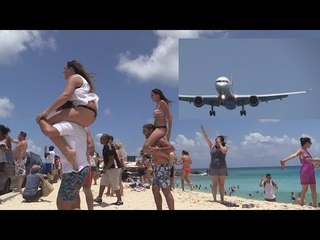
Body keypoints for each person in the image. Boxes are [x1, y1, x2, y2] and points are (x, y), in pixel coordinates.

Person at [36, 60, 99, 172]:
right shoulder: (84, 82)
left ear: (71, 68)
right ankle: (70, 153)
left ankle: (68, 152)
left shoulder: (74, 77)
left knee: (45, 123)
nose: (63, 71)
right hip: (90, 114)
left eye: (64, 68)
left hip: (83, 110)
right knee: (50, 125)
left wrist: (46, 112)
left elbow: (65, 96)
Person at [38, 119, 89, 210]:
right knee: (74, 198)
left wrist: (40, 119)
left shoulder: (66, 125)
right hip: (83, 167)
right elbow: (91, 146)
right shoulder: (82, 127)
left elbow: (48, 130)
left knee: (62, 203)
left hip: (72, 170)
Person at [143, 123, 175, 210]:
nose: (143, 133)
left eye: (145, 131)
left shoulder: (159, 140)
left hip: (163, 166)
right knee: (155, 190)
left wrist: (158, 149)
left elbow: (172, 148)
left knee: (165, 190)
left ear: (151, 131)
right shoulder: (152, 142)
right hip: (157, 167)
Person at [280, 137, 318, 208]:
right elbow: (294, 155)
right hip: (305, 171)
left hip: (311, 172)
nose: (311, 144)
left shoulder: (307, 152)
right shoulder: (301, 150)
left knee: (313, 189)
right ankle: (301, 204)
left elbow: (309, 161)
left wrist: (316, 164)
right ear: (306, 143)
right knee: (305, 189)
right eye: (310, 142)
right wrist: (285, 160)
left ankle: (315, 205)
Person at [200, 124, 228, 203]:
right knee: (215, 184)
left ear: (222, 141)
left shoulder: (225, 147)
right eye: (216, 139)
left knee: (221, 184)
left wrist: (219, 144)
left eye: (218, 139)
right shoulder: (212, 146)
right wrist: (202, 129)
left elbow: (223, 151)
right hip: (213, 167)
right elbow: (206, 138)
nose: (216, 140)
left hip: (222, 168)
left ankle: (222, 199)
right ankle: (215, 199)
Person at [94, 134, 123, 205]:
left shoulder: (109, 146)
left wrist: (105, 168)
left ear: (107, 139)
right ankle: (99, 197)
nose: (100, 140)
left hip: (114, 168)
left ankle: (119, 200)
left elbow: (111, 159)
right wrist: (105, 168)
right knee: (103, 181)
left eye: (102, 138)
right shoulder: (106, 146)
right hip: (109, 167)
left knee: (115, 184)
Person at [143, 89, 172, 157]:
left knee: (146, 147)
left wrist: (169, 130)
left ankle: (168, 156)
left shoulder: (162, 102)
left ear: (158, 95)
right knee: (154, 148)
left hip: (161, 129)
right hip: (156, 129)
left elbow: (169, 116)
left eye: (152, 95)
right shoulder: (157, 105)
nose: (151, 97)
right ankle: (167, 156)